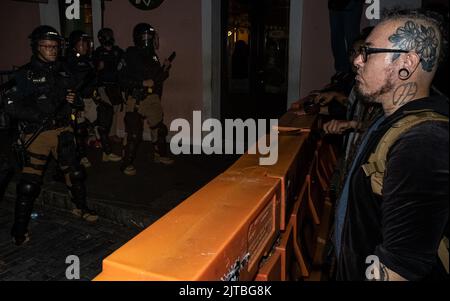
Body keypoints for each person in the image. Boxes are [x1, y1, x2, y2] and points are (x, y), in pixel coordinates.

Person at [334, 10, 449, 280]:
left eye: (369, 52)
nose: (357, 61)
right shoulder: (392, 120)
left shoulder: (423, 142)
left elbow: (400, 268)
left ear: (406, 62)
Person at [4, 26, 98, 246]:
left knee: (75, 173)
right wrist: (38, 115)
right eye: (47, 46)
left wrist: (74, 100)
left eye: (55, 47)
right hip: (38, 134)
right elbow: (10, 105)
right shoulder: (25, 74)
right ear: (37, 47)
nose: (52, 50)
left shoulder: (64, 70)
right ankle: (19, 229)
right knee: (29, 185)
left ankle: (80, 207)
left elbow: (76, 99)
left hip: (63, 131)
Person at [118, 23, 174, 176]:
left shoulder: (153, 55)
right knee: (134, 133)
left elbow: (156, 79)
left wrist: (165, 69)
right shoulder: (130, 53)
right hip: (136, 97)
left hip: (153, 98)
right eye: (145, 36)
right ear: (138, 37)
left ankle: (159, 155)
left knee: (159, 129)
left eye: (150, 36)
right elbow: (121, 78)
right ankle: (125, 163)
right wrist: (140, 83)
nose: (148, 39)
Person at [66, 30, 122, 167]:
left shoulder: (88, 59)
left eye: (86, 43)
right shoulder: (69, 60)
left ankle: (107, 153)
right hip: (77, 101)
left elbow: (93, 78)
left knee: (101, 125)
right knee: (79, 130)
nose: (85, 46)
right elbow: (70, 82)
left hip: (90, 98)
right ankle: (82, 157)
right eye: (82, 43)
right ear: (75, 45)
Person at [93, 28, 124, 144]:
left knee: (115, 111)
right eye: (106, 35)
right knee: (106, 111)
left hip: (115, 86)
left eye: (110, 35)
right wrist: (98, 68)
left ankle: (111, 134)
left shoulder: (118, 51)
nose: (109, 37)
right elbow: (93, 70)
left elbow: (125, 62)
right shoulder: (98, 52)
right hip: (103, 86)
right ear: (101, 38)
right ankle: (101, 135)